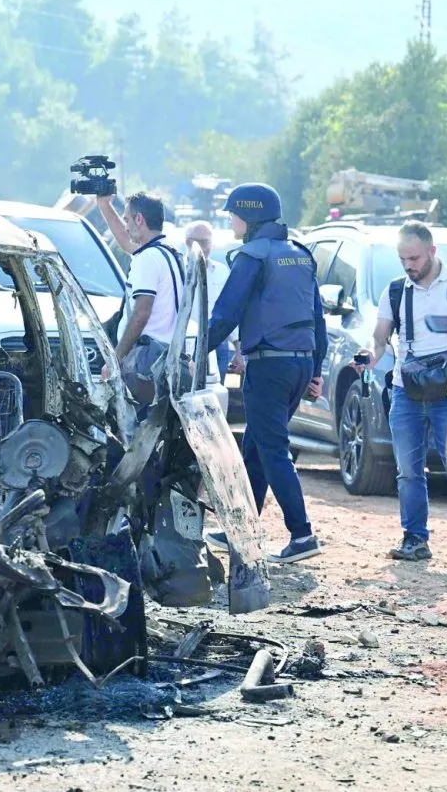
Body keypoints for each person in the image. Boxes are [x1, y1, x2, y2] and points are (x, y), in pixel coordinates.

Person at [201, 183, 326, 563]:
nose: (230, 219)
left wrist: (193, 352)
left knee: (271, 449)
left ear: (249, 215)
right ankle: (243, 530)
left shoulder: (251, 255)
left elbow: (226, 313)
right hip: (300, 364)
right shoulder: (300, 255)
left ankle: (302, 535)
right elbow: (316, 318)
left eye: (233, 213)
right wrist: (316, 369)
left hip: (269, 366)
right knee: (255, 446)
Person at [364, 221, 447, 561]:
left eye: (415, 258)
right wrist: (369, 356)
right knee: (408, 470)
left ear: (432, 252)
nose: (409, 265)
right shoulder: (395, 290)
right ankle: (415, 539)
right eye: (403, 258)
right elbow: (380, 338)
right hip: (406, 390)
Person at [94, 190, 186, 404]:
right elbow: (127, 243)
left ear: (139, 219)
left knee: (132, 429)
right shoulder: (167, 253)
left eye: (127, 219)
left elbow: (141, 314)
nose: (125, 226)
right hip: (166, 357)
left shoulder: (147, 258)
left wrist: (115, 360)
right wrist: (104, 205)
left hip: (146, 362)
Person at [183, 220, 235, 380]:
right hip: (187, 344)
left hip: (218, 344)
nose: (205, 247)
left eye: (208, 242)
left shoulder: (221, 271)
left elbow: (231, 309)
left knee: (216, 396)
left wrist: (238, 350)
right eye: (202, 242)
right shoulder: (179, 269)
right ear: (188, 242)